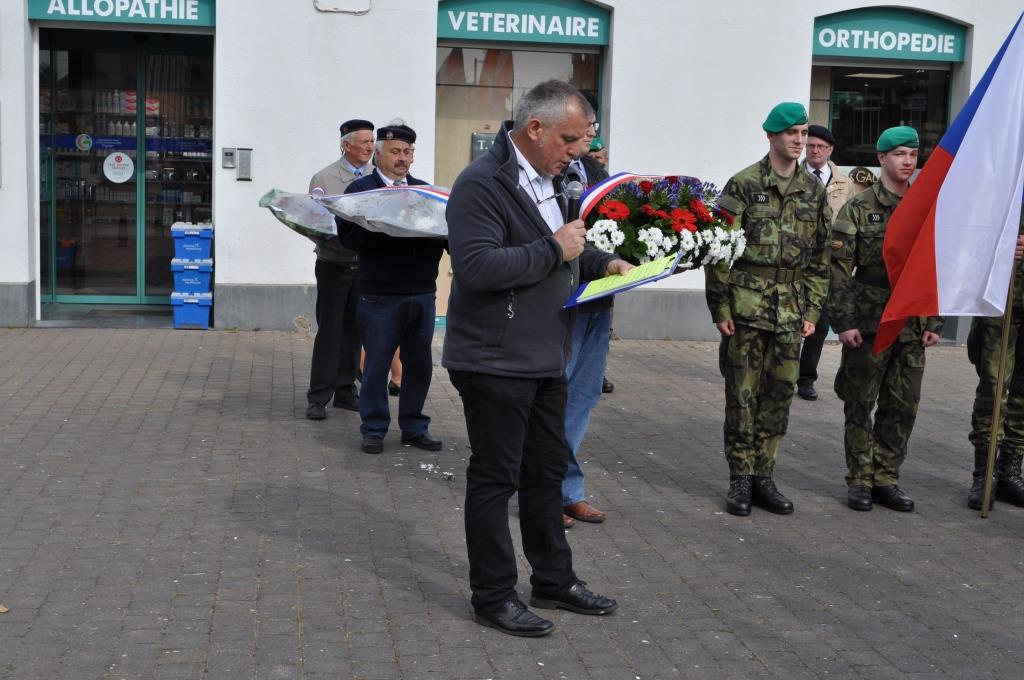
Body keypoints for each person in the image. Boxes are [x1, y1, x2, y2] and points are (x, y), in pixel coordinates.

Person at [444, 80, 630, 637]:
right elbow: (476, 268)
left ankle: (552, 579)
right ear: (534, 129)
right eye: (570, 139)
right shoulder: (481, 184)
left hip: (548, 352)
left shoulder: (558, 179)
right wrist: (556, 250)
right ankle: (493, 595)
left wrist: (602, 262)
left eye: (583, 140)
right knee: (496, 480)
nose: (579, 151)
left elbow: (568, 242)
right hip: (493, 358)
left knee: (546, 473)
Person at [705, 102, 830, 517]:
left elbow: (819, 259)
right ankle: (740, 478)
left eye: (803, 133)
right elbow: (719, 252)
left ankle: (764, 476)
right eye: (791, 133)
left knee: (779, 395)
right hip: (746, 307)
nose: (799, 140)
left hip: (792, 311)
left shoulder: (812, 191)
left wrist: (812, 309)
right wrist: (719, 305)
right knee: (742, 396)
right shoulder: (742, 184)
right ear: (771, 136)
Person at [829, 126, 942, 512]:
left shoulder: (926, 209)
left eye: (912, 155)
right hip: (869, 320)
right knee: (860, 402)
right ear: (881, 160)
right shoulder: (858, 208)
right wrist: (843, 322)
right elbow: (840, 270)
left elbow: (935, 267)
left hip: (910, 321)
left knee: (902, 405)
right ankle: (859, 479)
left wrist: (933, 322)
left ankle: (886, 477)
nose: (908, 162)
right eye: (899, 155)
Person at [336, 123, 445, 455]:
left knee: (419, 366)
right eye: (395, 151)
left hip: (422, 292)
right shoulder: (361, 190)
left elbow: (443, 233)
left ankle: (413, 427)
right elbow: (348, 237)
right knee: (377, 365)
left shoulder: (426, 191)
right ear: (378, 153)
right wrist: (388, 226)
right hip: (380, 294)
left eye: (408, 152)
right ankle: (373, 428)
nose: (403, 158)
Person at [560, 112, 612, 529]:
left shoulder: (595, 170)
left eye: (593, 126)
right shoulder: (545, 174)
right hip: (561, 301)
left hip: (597, 299)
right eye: (586, 125)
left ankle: (568, 491)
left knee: (582, 397)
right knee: (551, 400)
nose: (592, 133)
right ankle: (536, 492)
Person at [305, 119, 375, 421]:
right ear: (347, 145)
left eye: (373, 142)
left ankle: (346, 392)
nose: (371, 148)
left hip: (366, 265)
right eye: (365, 142)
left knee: (354, 332)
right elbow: (313, 221)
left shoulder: (378, 176)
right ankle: (319, 396)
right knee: (330, 331)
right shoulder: (325, 177)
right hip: (334, 264)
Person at [966, 210, 1024, 511]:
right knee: (993, 389)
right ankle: (985, 474)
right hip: (999, 301)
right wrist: (1001, 245)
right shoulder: (1005, 170)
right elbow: (970, 227)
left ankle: (1011, 472)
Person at [796, 124, 856, 401]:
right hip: (796, 260)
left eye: (820, 146)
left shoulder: (845, 183)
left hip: (829, 265)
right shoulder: (792, 177)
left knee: (819, 326)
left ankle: (806, 378)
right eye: (811, 146)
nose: (815, 150)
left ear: (830, 150)